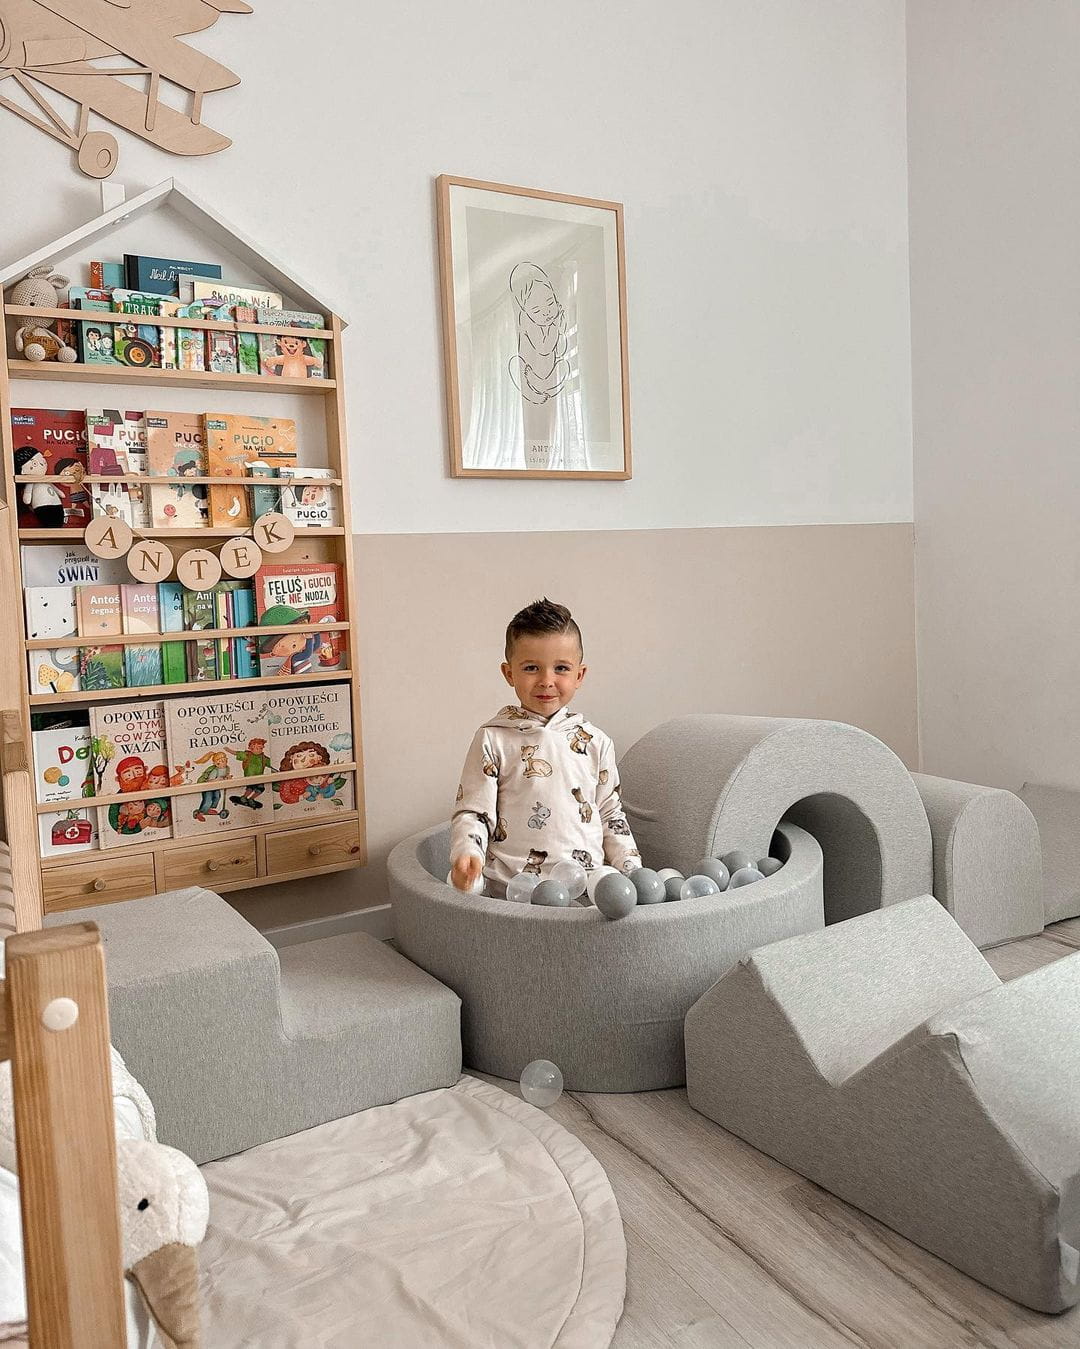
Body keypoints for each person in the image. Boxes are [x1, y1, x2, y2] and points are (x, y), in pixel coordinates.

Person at [449, 598, 641, 895]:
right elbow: (474, 812)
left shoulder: (596, 742)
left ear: (579, 675)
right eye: (531, 668)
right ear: (509, 673)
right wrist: (467, 853)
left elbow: (610, 814)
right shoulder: (493, 738)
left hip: (586, 890)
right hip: (513, 890)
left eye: (561, 668)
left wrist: (631, 870)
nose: (546, 680)